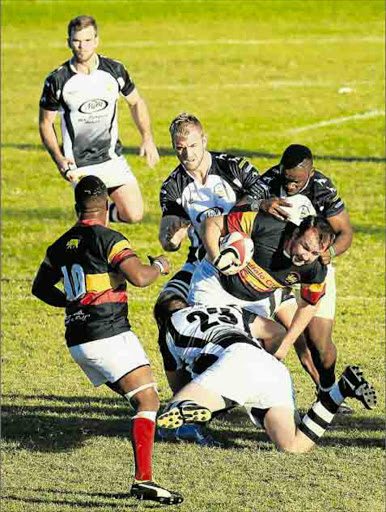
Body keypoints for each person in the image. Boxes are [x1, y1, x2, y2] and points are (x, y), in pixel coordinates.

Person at [31, 176, 182, 505]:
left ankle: (144, 464)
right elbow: (140, 278)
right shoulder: (108, 238)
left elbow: (40, 288)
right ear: (107, 206)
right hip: (108, 334)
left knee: (142, 401)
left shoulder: (59, 245)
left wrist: (71, 303)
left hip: (78, 340)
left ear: (77, 208)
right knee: (148, 403)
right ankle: (144, 480)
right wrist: (159, 264)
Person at [155, 298, 377, 453]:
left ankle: (206, 407)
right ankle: (341, 390)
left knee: (168, 419)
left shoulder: (168, 329)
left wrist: (199, 385)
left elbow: (177, 382)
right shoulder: (230, 310)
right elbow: (277, 333)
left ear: (160, 320)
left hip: (234, 361)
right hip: (271, 368)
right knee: (293, 445)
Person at [39, 15, 159, 224]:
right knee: (96, 230)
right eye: (76, 40)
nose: (82, 46)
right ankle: (91, 221)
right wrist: (60, 160)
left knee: (134, 214)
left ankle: (97, 216)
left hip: (112, 158)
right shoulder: (58, 80)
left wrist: (147, 138)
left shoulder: (114, 70)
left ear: (96, 40)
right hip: (80, 165)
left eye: (87, 40)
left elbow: (136, 102)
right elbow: (45, 123)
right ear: (68, 41)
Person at [257, 144, 353, 401]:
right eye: (286, 179)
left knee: (319, 342)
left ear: (309, 174)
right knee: (291, 334)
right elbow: (240, 207)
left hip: (313, 266)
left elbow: (345, 232)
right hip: (275, 265)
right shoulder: (268, 181)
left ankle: (328, 386)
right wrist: (261, 203)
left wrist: (329, 253)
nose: (289, 185)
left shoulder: (322, 188)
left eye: (295, 181)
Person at [189, 209, 336, 360]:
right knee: (208, 347)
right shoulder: (267, 225)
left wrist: (286, 344)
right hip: (215, 286)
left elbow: (310, 304)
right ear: (296, 233)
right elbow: (211, 223)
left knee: (274, 337)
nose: (306, 256)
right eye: (305, 247)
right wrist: (217, 259)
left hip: (254, 302)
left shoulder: (315, 269)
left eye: (314, 253)